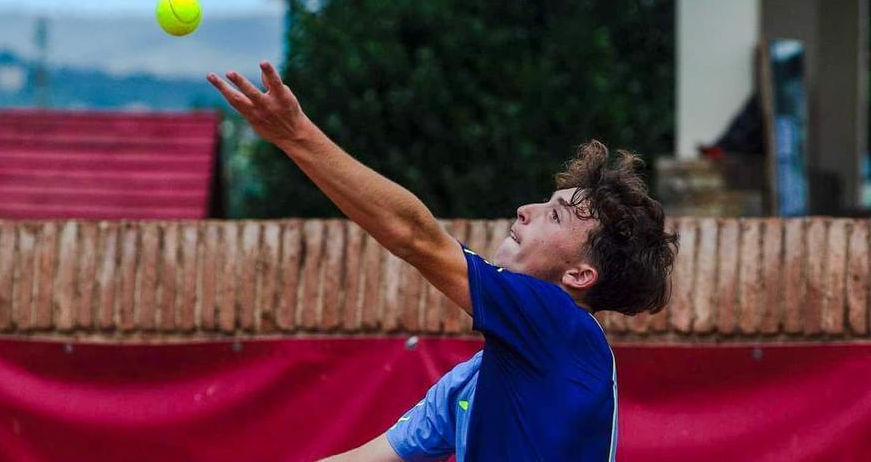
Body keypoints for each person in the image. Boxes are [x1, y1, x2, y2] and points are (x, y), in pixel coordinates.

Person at [207, 62, 679, 462]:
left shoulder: (561, 325)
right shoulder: (477, 379)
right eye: (545, 201)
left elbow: (415, 237)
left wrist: (297, 137)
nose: (525, 211)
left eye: (553, 215)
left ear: (579, 275)